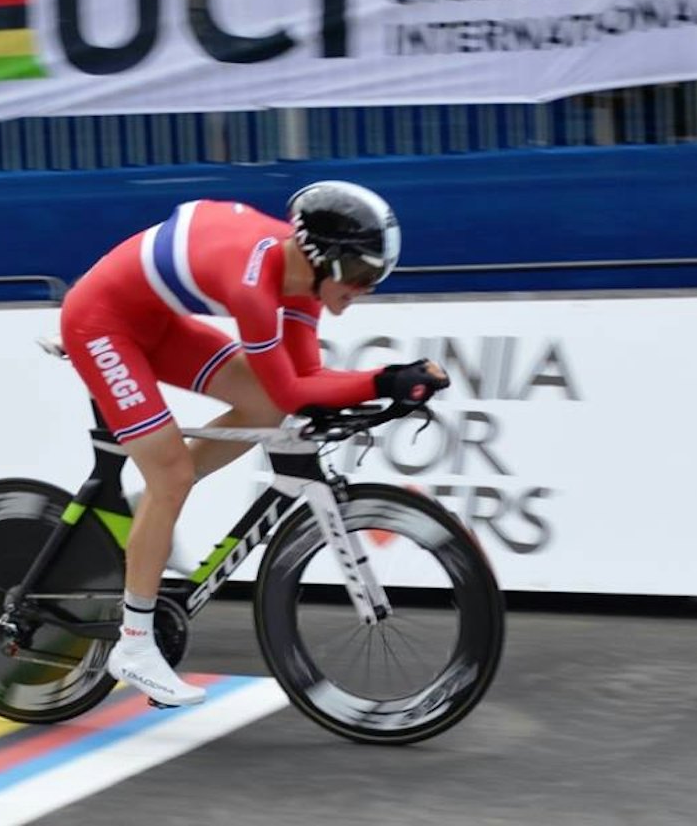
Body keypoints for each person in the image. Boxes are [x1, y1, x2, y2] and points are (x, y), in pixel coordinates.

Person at [58, 180, 449, 707]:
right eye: (360, 275)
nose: (364, 289)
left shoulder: (301, 283)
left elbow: (302, 380)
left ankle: (153, 511)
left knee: (263, 408)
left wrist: (385, 383)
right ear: (322, 257)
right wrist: (385, 380)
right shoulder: (254, 285)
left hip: (155, 321)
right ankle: (133, 646)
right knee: (172, 472)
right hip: (100, 324)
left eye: (374, 280)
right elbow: (296, 386)